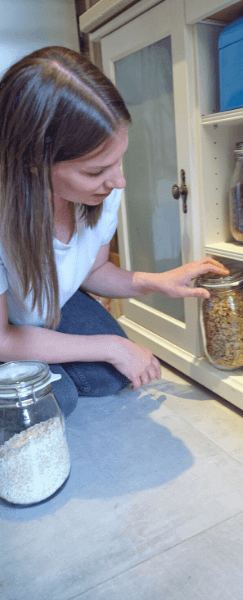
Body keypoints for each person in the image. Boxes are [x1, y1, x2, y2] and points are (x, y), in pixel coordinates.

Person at [0, 46, 228, 418]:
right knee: (58, 401)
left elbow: (94, 271)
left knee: (106, 379)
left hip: (47, 304)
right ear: (33, 163)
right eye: (95, 171)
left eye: (119, 159)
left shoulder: (105, 191)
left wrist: (159, 281)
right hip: (5, 326)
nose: (119, 180)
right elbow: (3, 339)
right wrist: (110, 346)